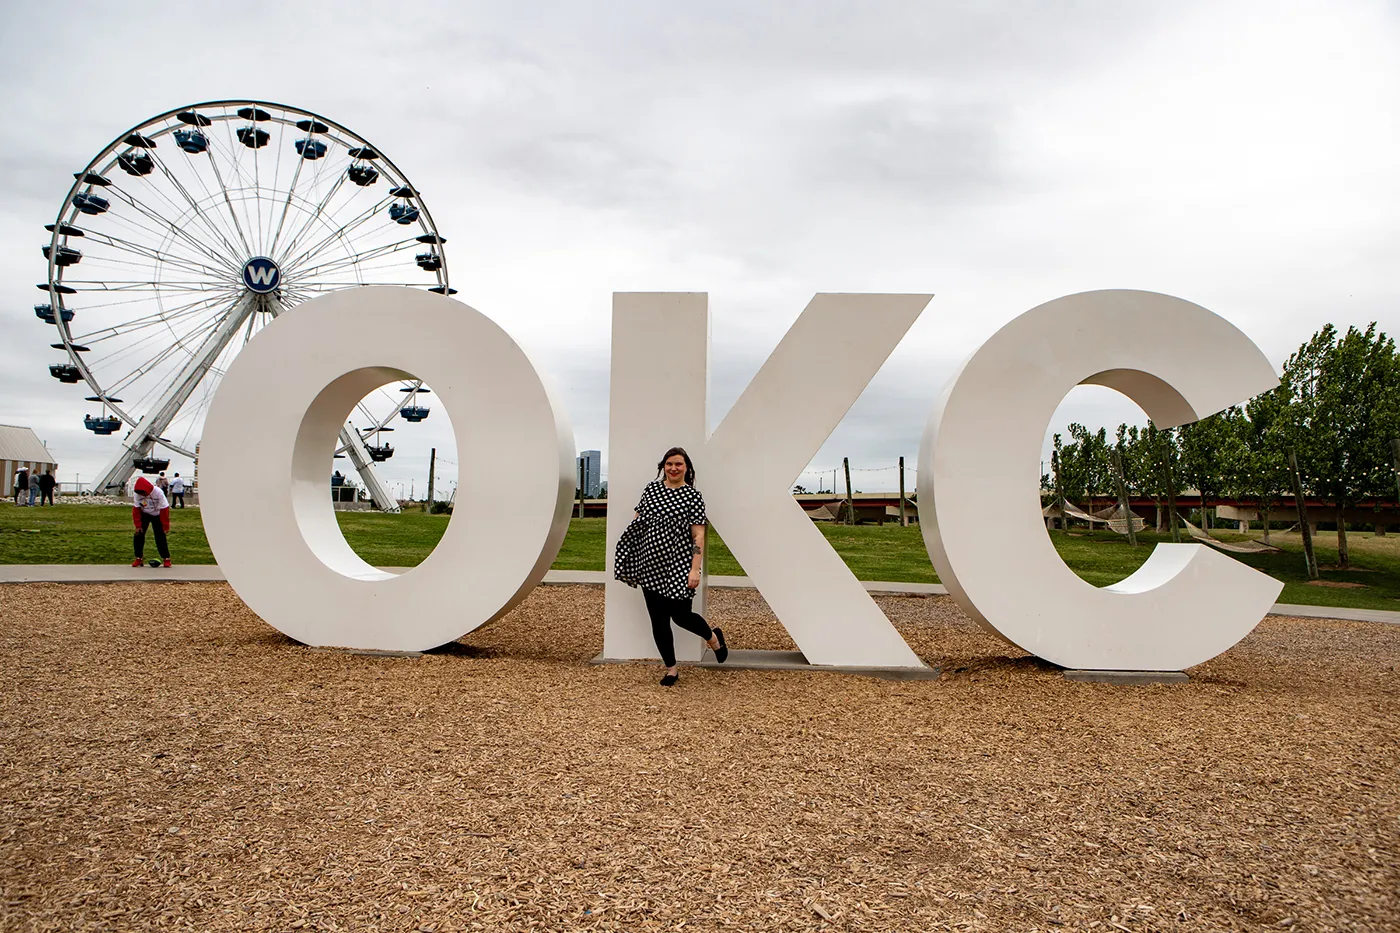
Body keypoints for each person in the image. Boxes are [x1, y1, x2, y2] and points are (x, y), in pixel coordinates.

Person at [614, 446, 728, 686]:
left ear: (687, 468)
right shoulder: (651, 489)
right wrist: (630, 551)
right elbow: (638, 521)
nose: (673, 468)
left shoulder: (693, 497)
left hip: (678, 565)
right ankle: (671, 669)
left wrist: (695, 569)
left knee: (681, 615)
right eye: (669, 464)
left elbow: (698, 536)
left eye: (678, 464)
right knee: (658, 620)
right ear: (662, 467)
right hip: (649, 564)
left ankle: (713, 637)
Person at [130, 476, 172, 568]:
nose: (143, 495)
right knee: (138, 535)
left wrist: (165, 526)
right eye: (141, 493)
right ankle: (138, 558)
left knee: (160, 536)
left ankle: (166, 558)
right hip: (144, 514)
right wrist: (138, 525)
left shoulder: (158, 492)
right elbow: (136, 510)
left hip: (157, 515)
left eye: (144, 493)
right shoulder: (137, 495)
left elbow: (164, 509)